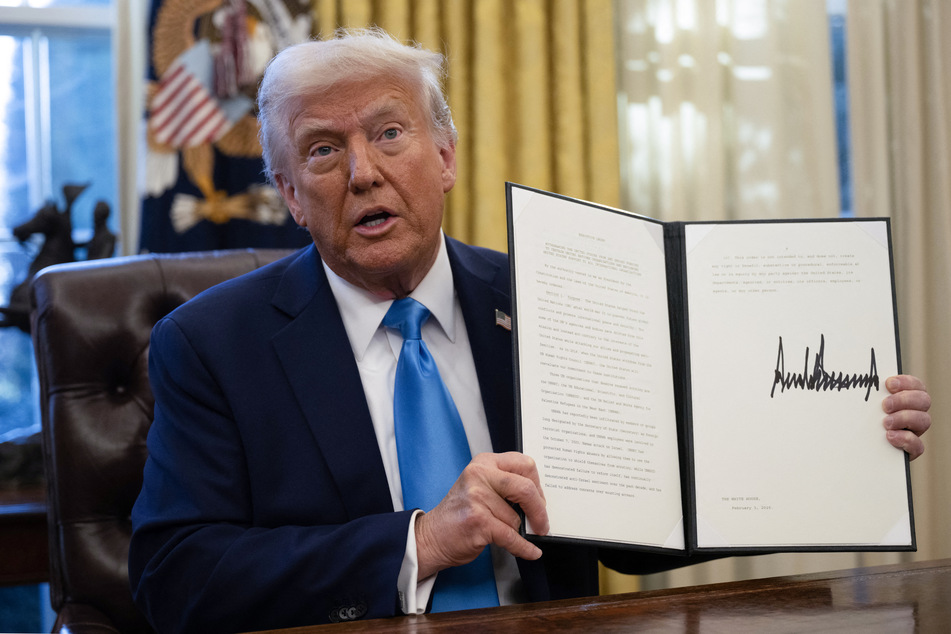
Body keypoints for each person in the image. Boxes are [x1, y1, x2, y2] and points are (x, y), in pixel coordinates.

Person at [128, 28, 933, 633]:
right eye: (323, 150)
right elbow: (175, 577)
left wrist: (837, 439)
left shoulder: (556, 295)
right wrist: (420, 543)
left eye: (388, 133)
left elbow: (647, 520)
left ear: (443, 155)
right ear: (290, 195)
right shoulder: (210, 343)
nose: (364, 172)